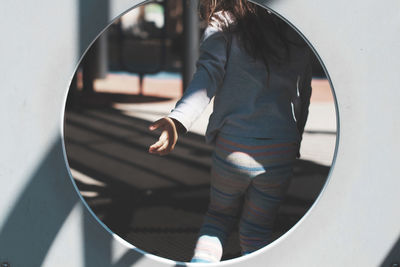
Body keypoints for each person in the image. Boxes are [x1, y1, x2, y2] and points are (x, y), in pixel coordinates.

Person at [148, 0, 312, 263]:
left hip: (233, 147)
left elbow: (207, 76)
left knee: (218, 219)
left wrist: (177, 120)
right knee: (257, 230)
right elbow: (303, 92)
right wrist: (296, 139)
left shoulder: (225, 23)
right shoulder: (295, 29)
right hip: (280, 150)